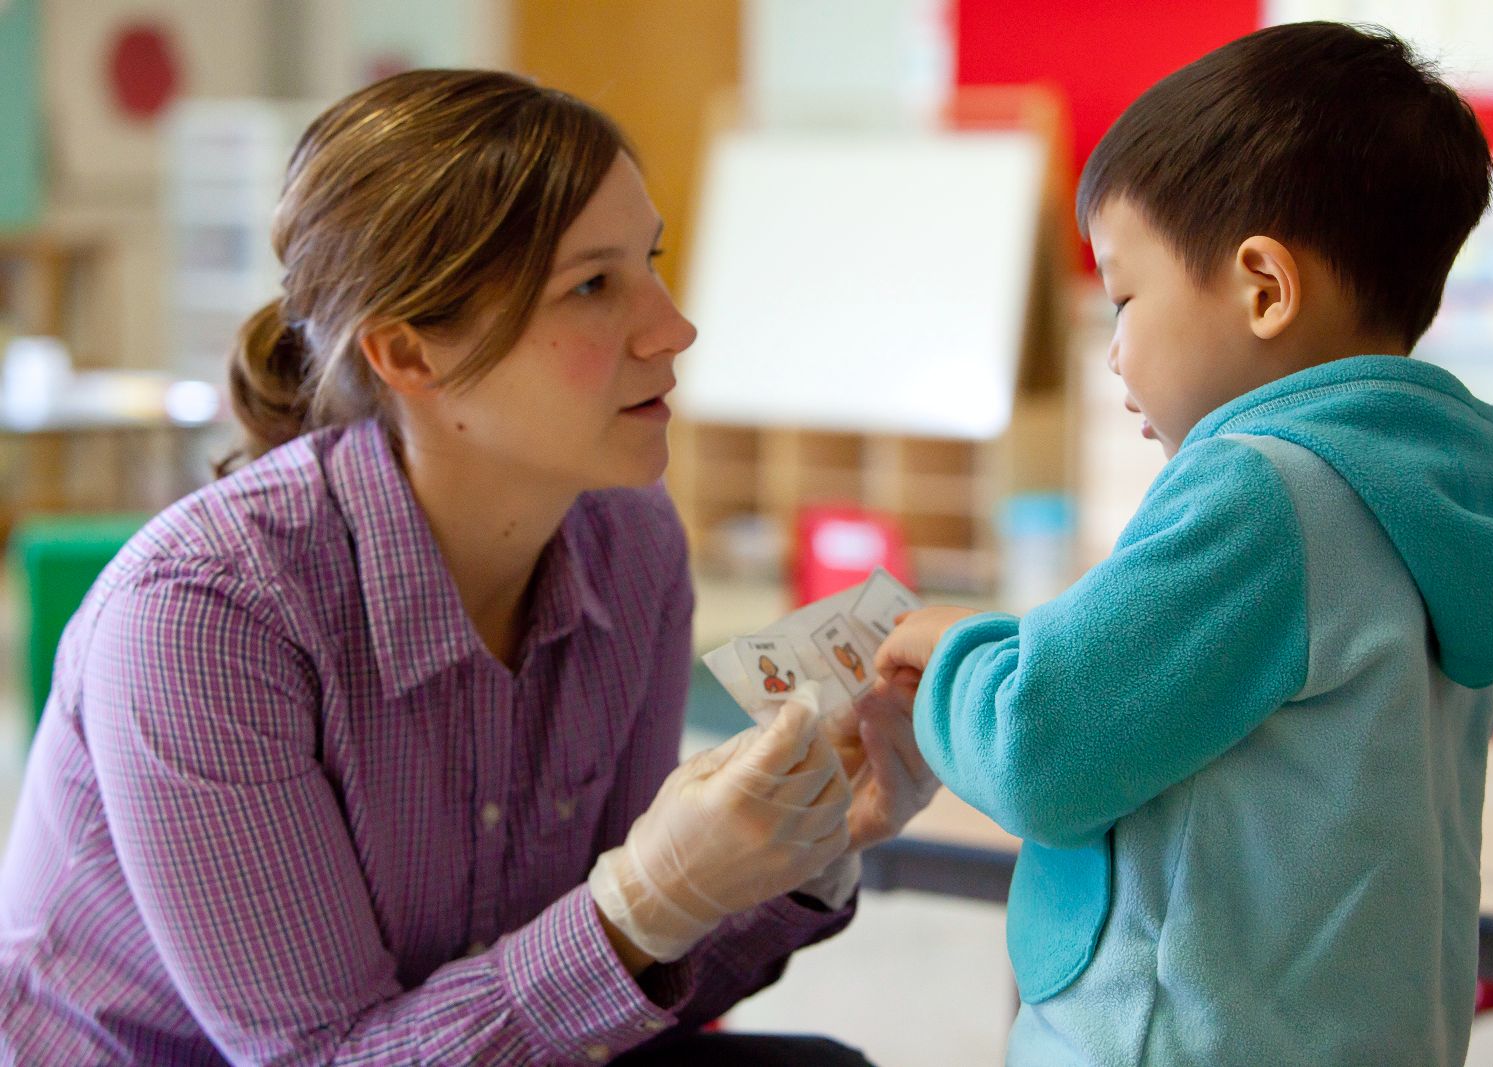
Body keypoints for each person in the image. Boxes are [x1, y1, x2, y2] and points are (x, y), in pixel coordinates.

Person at [0, 70, 935, 1065]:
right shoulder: (204, 614)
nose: (673, 327)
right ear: (408, 354)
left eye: (648, 262)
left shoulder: (632, 543)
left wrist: (799, 849)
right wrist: (637, 903)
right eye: (591, 284)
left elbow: (620, 1003)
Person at [875, 22, 1493, 1066]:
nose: (1112, 345)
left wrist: (956, 652)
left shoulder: (1257, 490)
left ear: (1262, 287)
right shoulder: (1433, 485)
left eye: (1123, 295)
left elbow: (1042, 749)